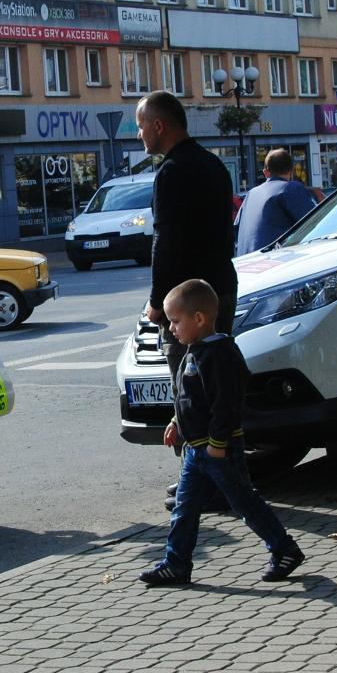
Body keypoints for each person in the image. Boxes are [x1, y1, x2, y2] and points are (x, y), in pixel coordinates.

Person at [139, 279, 303, 587]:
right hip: (196, 452)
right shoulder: (195, 350)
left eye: (176, 321)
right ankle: (176, 564)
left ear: (199, 318)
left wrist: (218, 444)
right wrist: (176, 421)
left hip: (219, 451)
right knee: (185, 508)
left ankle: (284, 549)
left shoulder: (220, 355)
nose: (171, 328)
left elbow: (226, 405)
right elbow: (191, 398)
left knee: (244, 503)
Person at [138, 91, 237, 505]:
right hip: (220, 288)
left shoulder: (171, 173)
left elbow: (166, 242)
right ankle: (220, 475)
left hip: (186, 297)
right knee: (215, 385)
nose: (140, 134)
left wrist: (157, 301)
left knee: (190, 388)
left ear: (159, 125)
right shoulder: (214, 164)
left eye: (142, 125)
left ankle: (201, 483)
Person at [235, 148, 319, 256]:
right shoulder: (291, 189)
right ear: (291, 171)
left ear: (265, 173)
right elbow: (315, 223)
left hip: (245, 261)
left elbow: (237, 228)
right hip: (276, 260)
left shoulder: (250, 194)